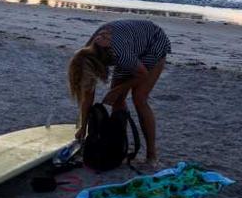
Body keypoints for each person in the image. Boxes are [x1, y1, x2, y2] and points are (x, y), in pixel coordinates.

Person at [68, 19, 169, 166]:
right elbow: (88, 95)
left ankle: (151, 155)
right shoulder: (86, 54)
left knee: (139, 98)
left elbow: (143, 74)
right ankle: (118, 145)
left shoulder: (120, 53)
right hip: (130, 45)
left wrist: (118, 90)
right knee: (117, 100)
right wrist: (83, 127)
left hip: (153, 42)